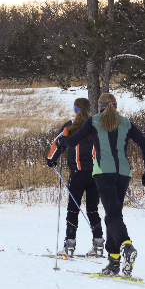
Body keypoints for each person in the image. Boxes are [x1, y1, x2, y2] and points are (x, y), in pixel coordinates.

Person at [56, 93, 145, 277]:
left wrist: (61, 140)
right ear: (116, 106)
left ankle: (126, 245)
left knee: (113, 214)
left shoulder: (94, 121)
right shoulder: (126, 122)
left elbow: (73, 141)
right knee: (112, 215)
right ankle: (114, 262)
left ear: (99, 106)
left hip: (103, 174)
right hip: (124, 173)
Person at [46, 98, 104, 258]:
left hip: (77, 173)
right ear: (90, 110)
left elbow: (57, 144)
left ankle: (69, 246)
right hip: (95, 175)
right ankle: (99, 245)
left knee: (73, 209)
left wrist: (51, 159)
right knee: (93, 209)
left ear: (75, 109)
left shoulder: (69, 126)